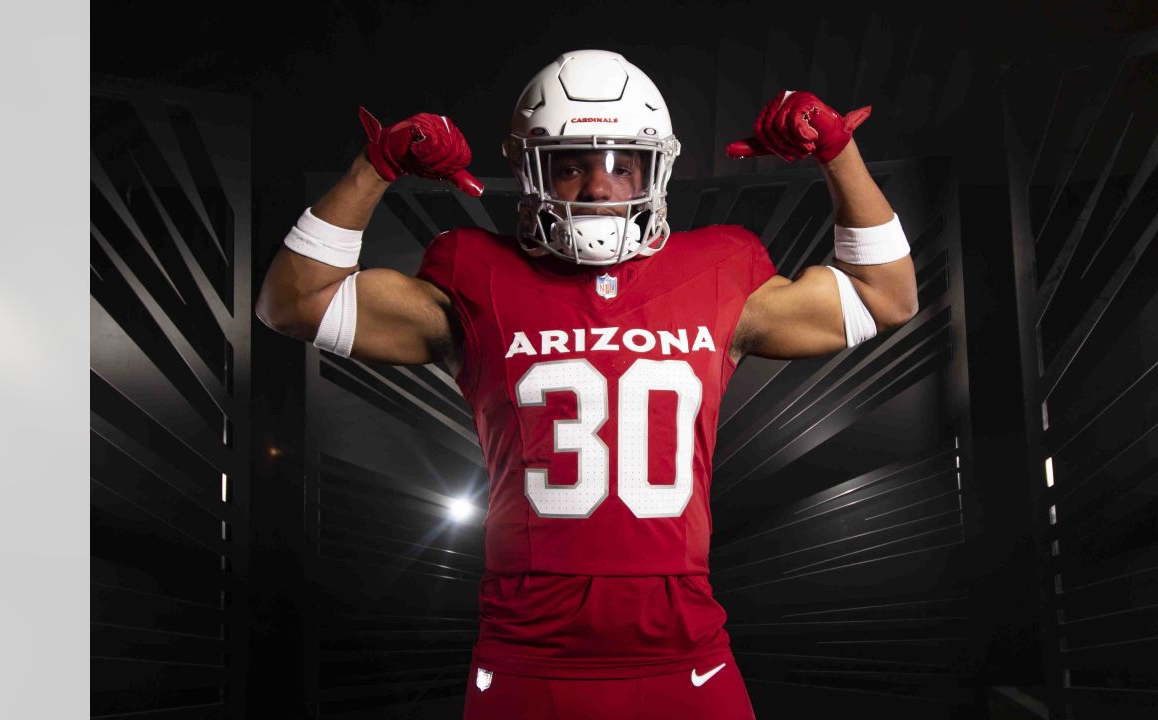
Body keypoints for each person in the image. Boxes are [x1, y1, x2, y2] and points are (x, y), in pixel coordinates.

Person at [256, 49, 917, 720]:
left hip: (686, 653)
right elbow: (293, 303)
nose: (600, 191)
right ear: (529, 170)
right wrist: (377, 167)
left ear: (655, 170)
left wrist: (838, 152)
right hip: (527, 658)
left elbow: (886, 298)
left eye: (622, 165)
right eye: (571, 166)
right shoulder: (473, 273)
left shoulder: (719, 269)